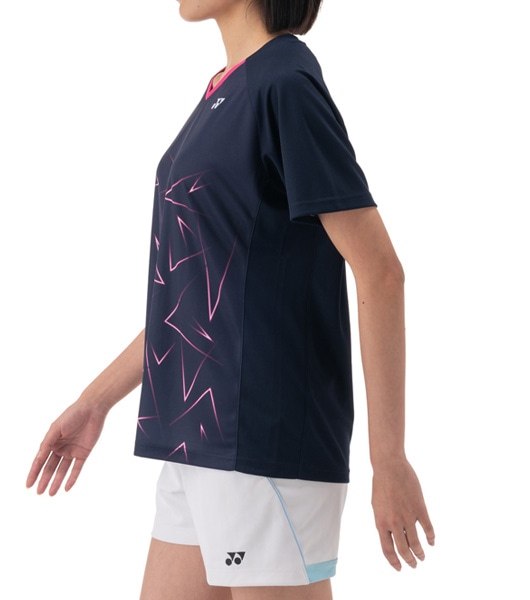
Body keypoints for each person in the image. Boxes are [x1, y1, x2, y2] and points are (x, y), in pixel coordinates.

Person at [26, 1, 435, 598]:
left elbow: (380, 271)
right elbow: (195, 304)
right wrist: (95, 401)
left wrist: (388, 457)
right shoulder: (227, 88)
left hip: (264, 443)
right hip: (195, 439)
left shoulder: (285, 83)